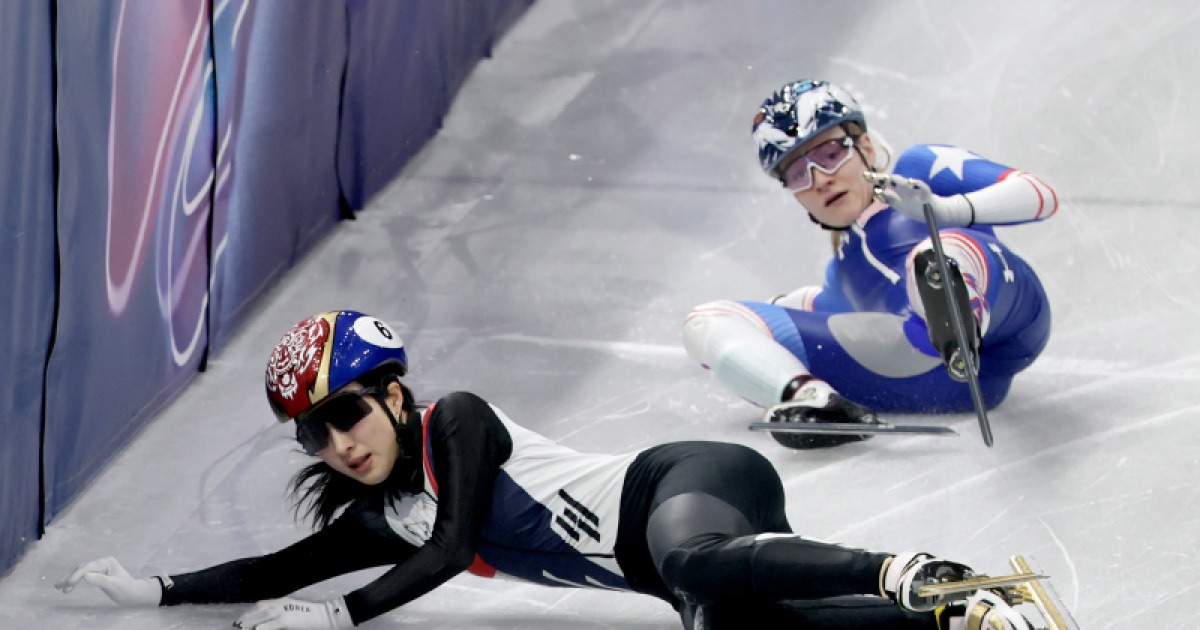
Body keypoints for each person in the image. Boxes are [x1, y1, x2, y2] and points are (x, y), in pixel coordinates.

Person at [57, 310, 1036, 629]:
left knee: (696, 563)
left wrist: (347, 615)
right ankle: (968, 609)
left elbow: (450, 549)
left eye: (346, 413)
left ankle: (904, 567)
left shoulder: (459, 424)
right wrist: (147, 590)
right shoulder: (378, 519)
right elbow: (275, 573)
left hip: (681, 487)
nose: (338, 444)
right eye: (315, 435)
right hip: (667, 566)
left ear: (394, 394)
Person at [682, 79, 1056, 448]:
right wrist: (750, 336)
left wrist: (945, 210)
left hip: (1010, 319)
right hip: (931, 376)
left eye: (830, 155)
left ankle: (960, 320)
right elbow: (797, 312)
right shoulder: (842, 275)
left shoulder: (919, 169)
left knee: (937, 253)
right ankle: (815, 400)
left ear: (864, 146)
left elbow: (1040, 194)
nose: (820, 180)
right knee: (706, 321)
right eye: (797, 174)